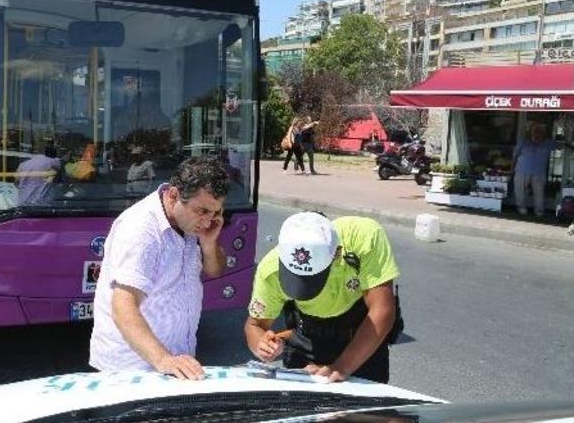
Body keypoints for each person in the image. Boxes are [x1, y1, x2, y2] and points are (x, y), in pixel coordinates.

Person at [89, 156, 228, 380]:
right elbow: (123, 306)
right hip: (131, 371)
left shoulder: (190, 224)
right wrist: (163, 359)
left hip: (175, 364)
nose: (207, 221)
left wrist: (209, 244)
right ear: (173, 195)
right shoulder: (141, 230)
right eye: (202, 211)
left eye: (215, 212)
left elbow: (215, 271)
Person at [244, 212, 400, 383]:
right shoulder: (270, 270)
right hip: (307, 336)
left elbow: (382, 310)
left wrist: (341, 368)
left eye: (311, 279)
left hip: (362, 335)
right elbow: (255, 325)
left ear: (336, 255)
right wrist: (262, 345)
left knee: (367, 408)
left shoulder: (363, 237)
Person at [512, 124, 572, 217]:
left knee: (539, 193)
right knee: (520, 191)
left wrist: (570, 145)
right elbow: (515, 155)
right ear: (531, 133)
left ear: (543, 135)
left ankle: (539, 212)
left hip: (539, 173)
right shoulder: (523, 142)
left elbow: (562, 145)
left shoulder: (548, 143)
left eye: (539, 133)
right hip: (521, 170)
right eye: (535, 132)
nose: (537, 135)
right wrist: (512, 168)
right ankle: (521, 209)